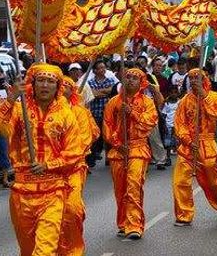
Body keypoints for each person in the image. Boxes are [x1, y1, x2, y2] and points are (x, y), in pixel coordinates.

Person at [0, 63, 83, 255]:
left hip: (53, 189)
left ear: (57, 87)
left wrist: (49, 165)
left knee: (44, 249)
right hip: (22, 190)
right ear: (32, 83)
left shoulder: (66, 114)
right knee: (28, 249)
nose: (45, 85)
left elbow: (75, 152)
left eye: (50, 81)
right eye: (41, 80)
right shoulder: (19, 109)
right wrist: (11, 97)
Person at [103, 68, 158, 239]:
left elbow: (150, 122)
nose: (131, 80)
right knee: (120, 189)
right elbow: (107, 125)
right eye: (128, 77)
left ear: (141, 82)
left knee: (134, 186)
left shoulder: (147, 102)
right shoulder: (113, 101)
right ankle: (123, 223)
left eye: (135, 78)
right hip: (119, 151)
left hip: (138, 148)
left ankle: (134, 225)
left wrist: (132, 113)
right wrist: (117, 144)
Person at [172, 69, 217, 226]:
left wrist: (204, 97)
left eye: (196, 77)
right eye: (190, 78)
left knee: (212, 183)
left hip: (207, 145)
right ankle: (184, 215)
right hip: (188, 146)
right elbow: (180, 123)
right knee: (180, 181)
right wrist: (188, 140)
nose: (193, 81)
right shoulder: (185, 100)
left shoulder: (215, 96)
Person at [58, 76, 99, 255]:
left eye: (67, 86)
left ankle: (73, 248)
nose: (62, 89)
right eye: (61, 86)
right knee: (55, 212)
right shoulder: (45, 112)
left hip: (74, 167)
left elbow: (85, 138)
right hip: (50, 172)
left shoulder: (80, 112)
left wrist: (62, 157)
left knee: (73, 208)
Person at [87, 60, 116, 167]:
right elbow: (93, 94)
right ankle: (92, 158)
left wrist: (99, 92)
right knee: (95, 137)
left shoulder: (110, 80)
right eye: (100, 68)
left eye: (104, 67)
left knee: (109, 136)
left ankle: (109, 157)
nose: (103, 70)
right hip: (95, 113)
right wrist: (104, 91)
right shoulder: (90, 82)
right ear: (94, 70)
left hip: (108, 113)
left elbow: (111, 91)